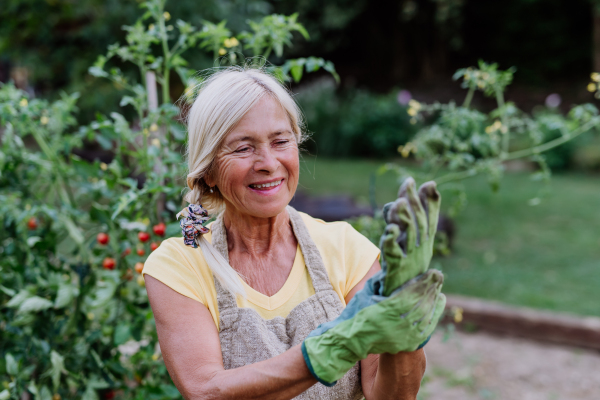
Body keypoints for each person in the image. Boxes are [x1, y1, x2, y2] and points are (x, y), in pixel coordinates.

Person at [142, 67, 444, 400]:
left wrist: (405, 332)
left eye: (280, 141)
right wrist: (326, 351)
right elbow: (207, 390)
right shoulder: (179, 265)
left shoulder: (345, 248)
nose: (268, 162)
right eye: (243, 148)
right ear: (208, 170)